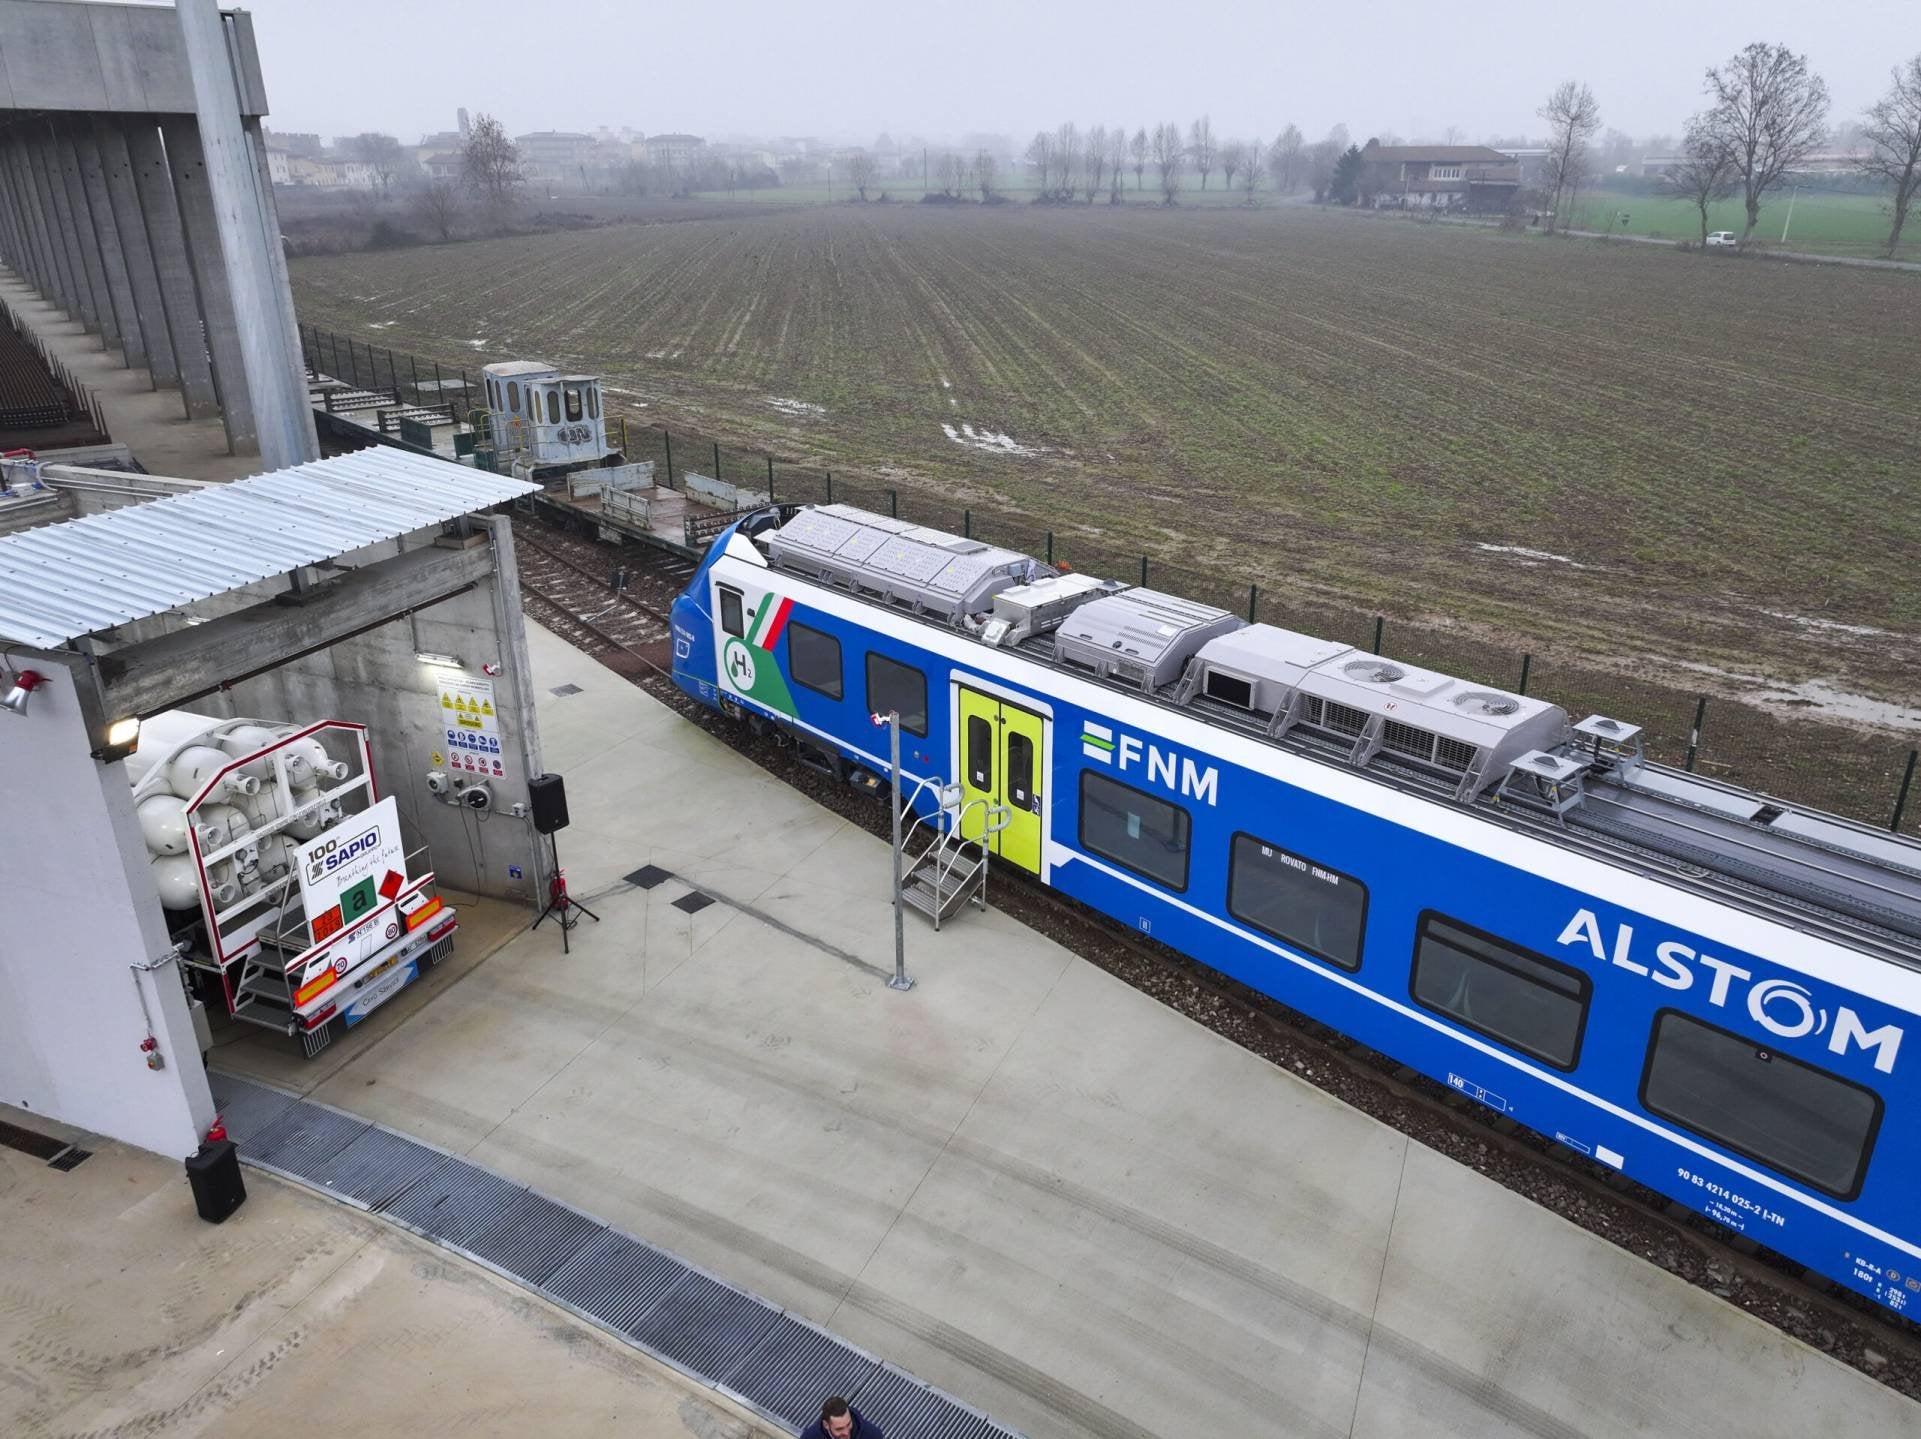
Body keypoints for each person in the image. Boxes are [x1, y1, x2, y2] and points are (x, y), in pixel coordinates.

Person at [799, 1395, 883, 1439]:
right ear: (826, 1425)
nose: (846, 1433)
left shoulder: (873, 1435)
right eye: (839, 1429)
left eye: (848, 1424)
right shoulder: (809, 1437)